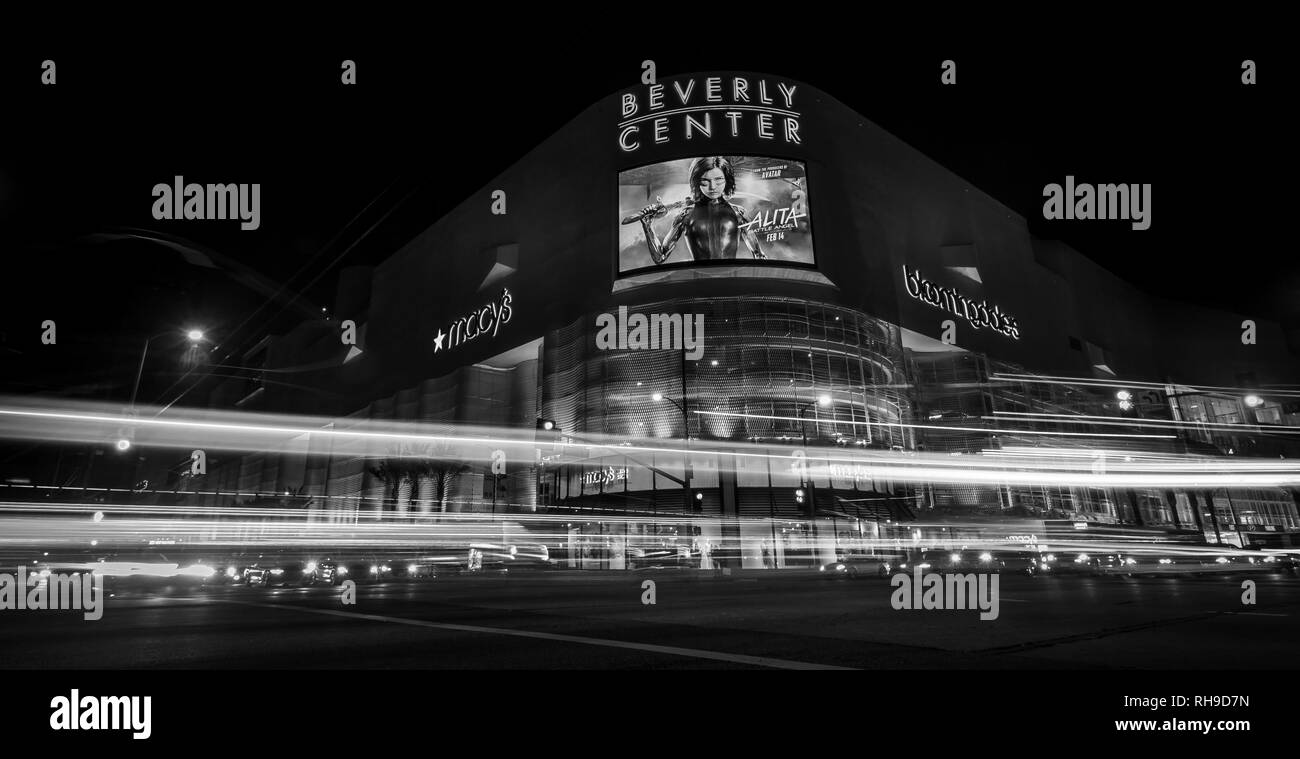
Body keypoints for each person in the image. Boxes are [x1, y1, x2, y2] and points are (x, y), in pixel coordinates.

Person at [639, 156, 767, 264]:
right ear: (697, 182)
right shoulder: (685, 215)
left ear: (726, 180)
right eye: (705, 181)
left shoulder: (739, 213)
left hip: (731, 281)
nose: (713, 187)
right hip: (699, 283)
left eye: (719, 180)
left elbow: (759, 256)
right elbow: (660, 257)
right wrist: (648, 226)